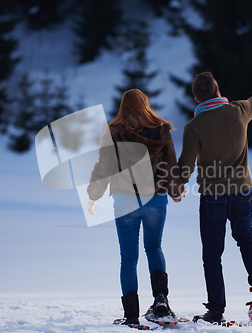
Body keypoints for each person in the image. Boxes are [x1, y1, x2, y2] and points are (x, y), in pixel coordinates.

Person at [176, 70, 252, 323]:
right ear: (218, 91)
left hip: (212, 197)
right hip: (242, 193)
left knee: (212, 255)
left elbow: (185, 167)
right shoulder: (239, 111)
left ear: (196, 99)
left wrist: (177, 187)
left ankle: (215, 311)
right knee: (246, 238)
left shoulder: (194, 127)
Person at [86, 89, 185, 326]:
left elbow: (104, 167)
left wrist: (93, 196)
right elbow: (171, 164)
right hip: (155, 200)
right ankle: (161, 302)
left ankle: (131, 316)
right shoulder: (162, 129)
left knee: (128, 259)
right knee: (154, 247)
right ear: (145, 105)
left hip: (125, 201)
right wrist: (176, 191)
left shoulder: (114, 131)